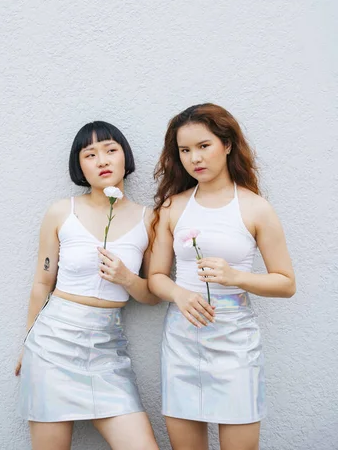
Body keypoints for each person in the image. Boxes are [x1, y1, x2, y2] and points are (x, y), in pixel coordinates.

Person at [148, 103, 296, 450]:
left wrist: (236, 277)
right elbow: (156, 276)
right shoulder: (174, 206)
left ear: (227, 145)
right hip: (183, 342)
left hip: (235, 343)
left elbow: (286, 282)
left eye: (204, 146)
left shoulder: (255, 207)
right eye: (185, 150)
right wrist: (179, 294)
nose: (194, 158)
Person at [15, 121, 160, 450]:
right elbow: (42, 282)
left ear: (125, 157)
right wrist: (28, 342)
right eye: (90, 154)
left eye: (111, 150)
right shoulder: (60, 212)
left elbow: (153, 295)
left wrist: (126, 278)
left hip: (108, 351)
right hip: (53, 347)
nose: (103, 160)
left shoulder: (148, 219)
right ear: (79, 165)